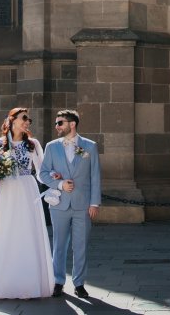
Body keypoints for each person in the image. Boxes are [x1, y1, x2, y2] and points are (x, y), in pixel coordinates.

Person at [0, 107, 54, 300]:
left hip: (26, 191)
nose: (27, 122)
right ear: (12, 120)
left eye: (29, 119)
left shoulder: (33, 144)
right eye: (24, 118)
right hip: (4, 193)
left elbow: (41, 172)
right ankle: (1, 284)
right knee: (2, 233)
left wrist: (56, 180)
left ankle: (27, 284)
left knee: (25, 234)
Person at [40, 109, 101, 299]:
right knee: (59, 245)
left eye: (60, 123)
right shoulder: (51, 147)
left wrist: (95, 203)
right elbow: (43, 173)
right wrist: (59, 183)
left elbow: (95, 175)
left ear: (72, 124)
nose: (57, 126)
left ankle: (79, 283)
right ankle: (58, 282)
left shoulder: (89, 146)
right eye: (56, 123)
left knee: (80, 245)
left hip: (83, 204)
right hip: (59, 204)